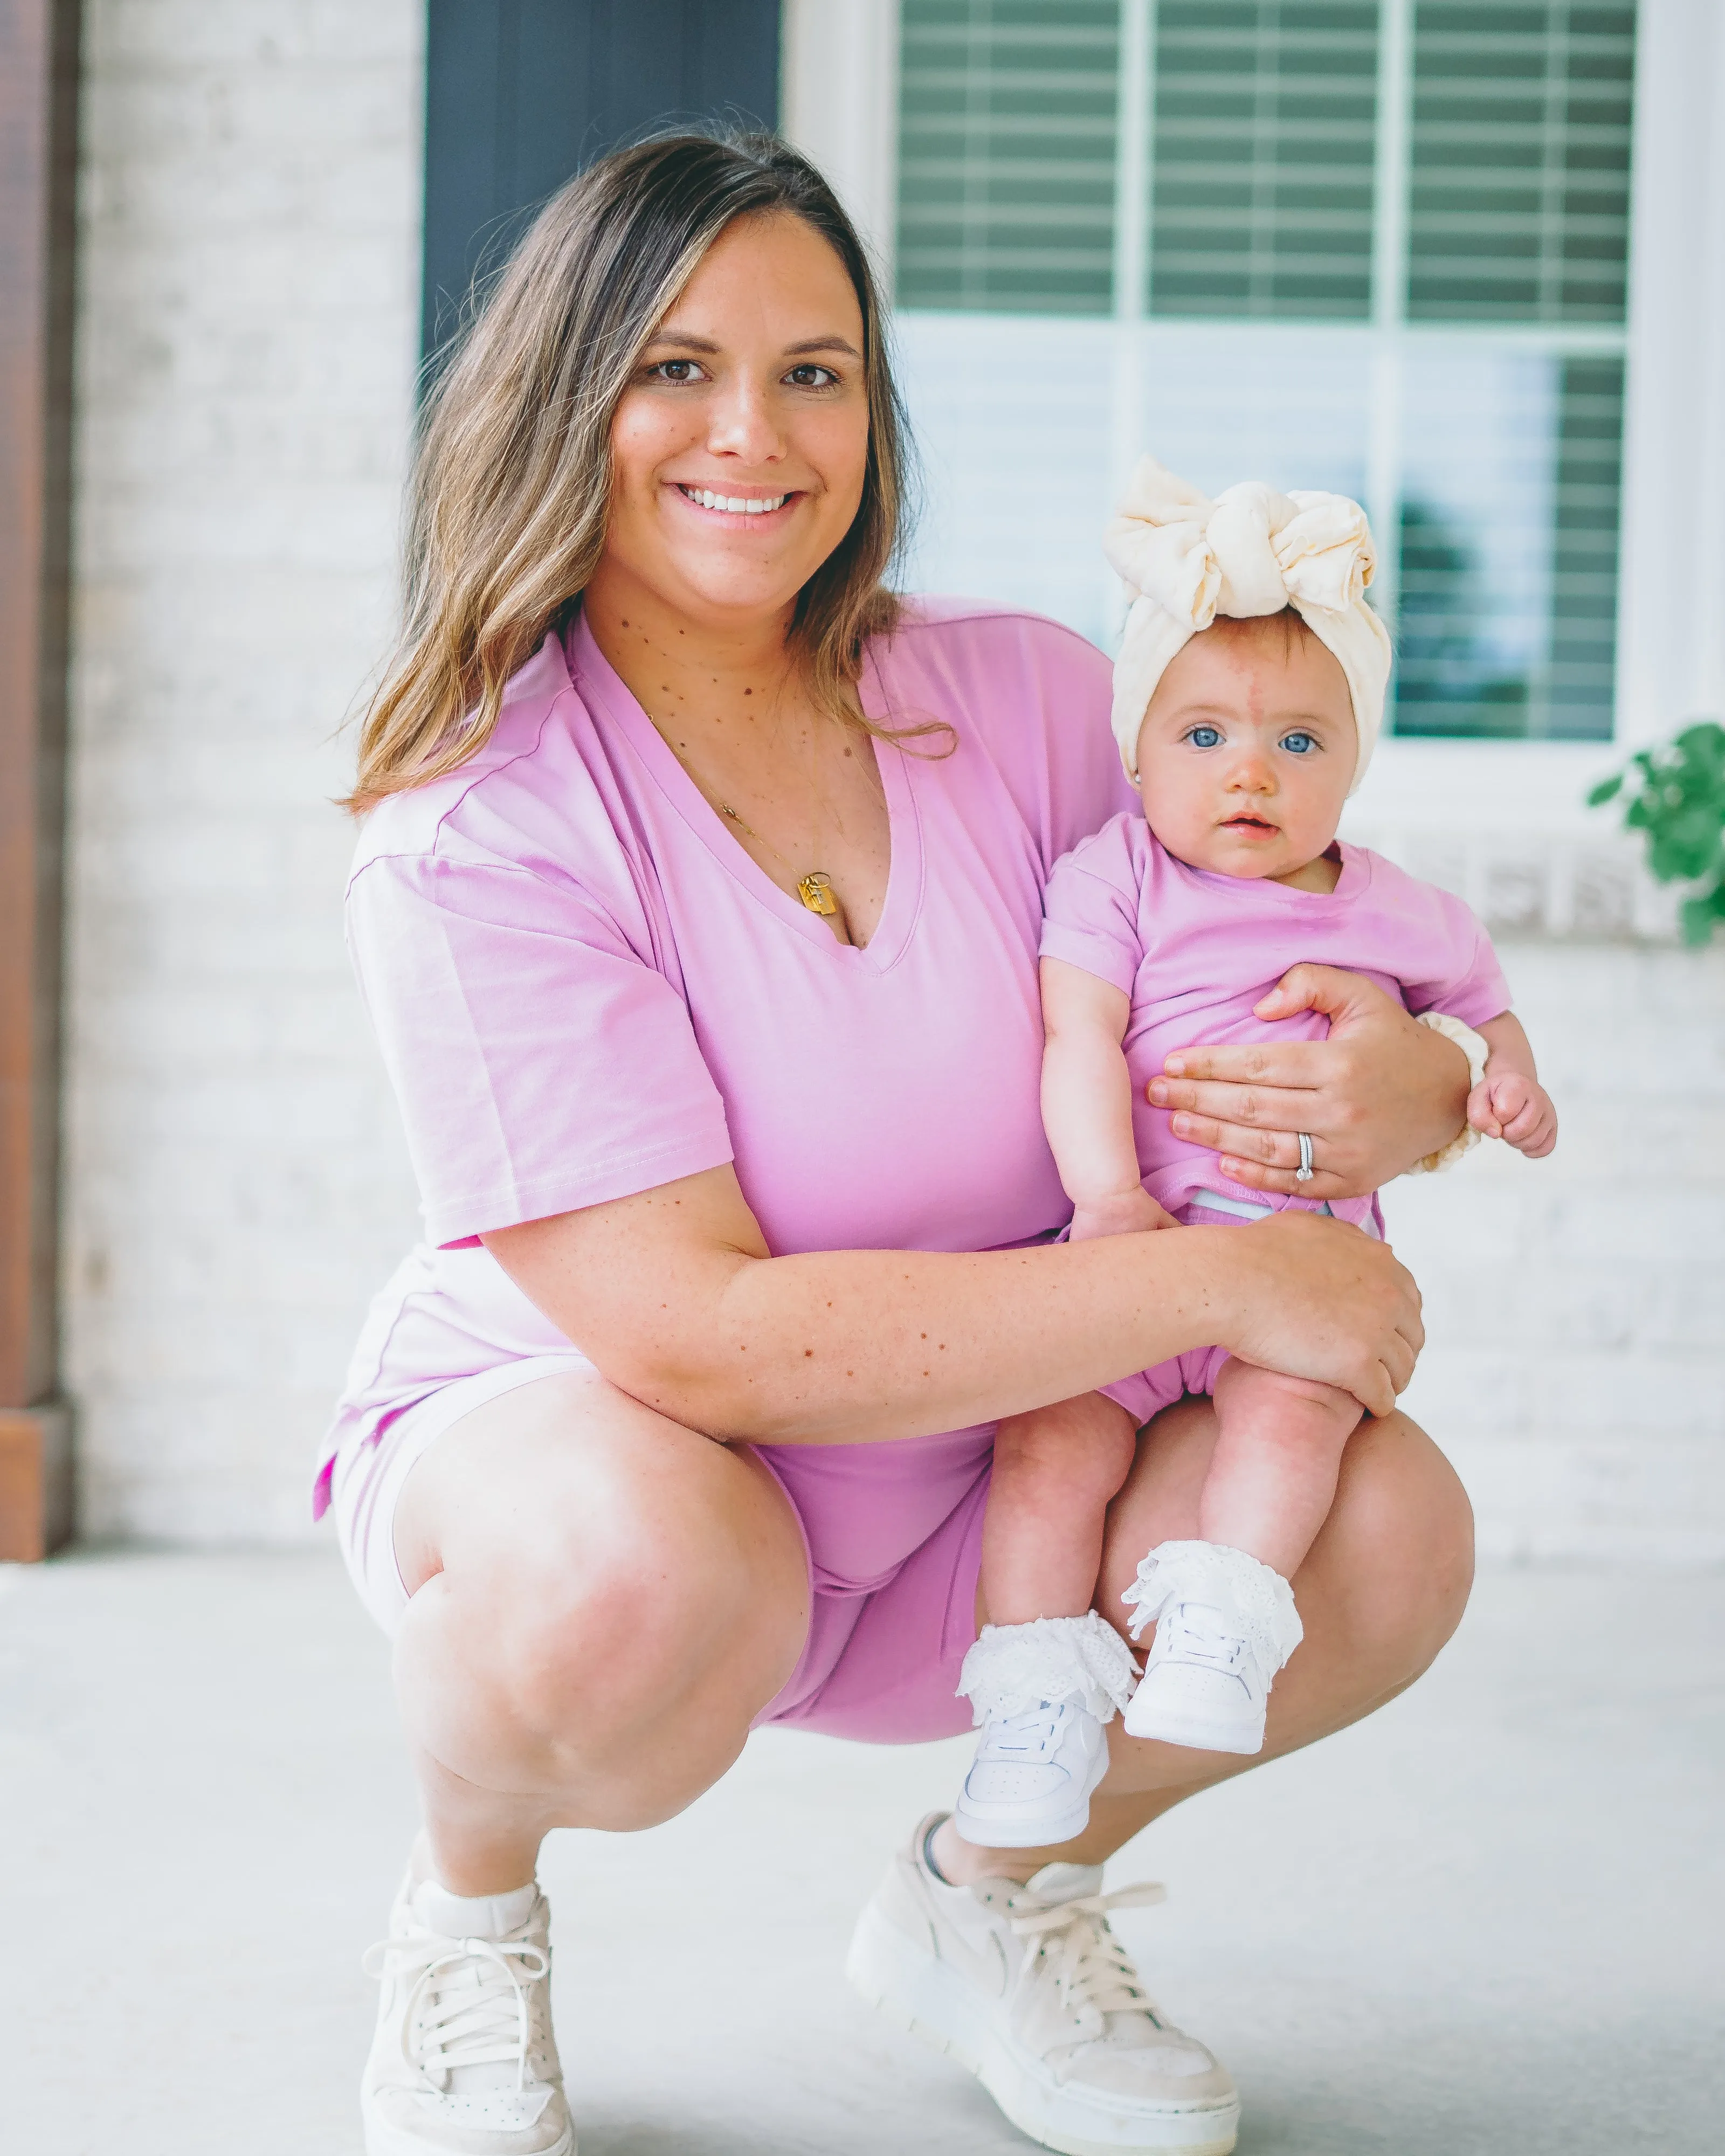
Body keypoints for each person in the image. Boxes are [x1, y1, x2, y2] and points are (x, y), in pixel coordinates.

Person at [323, 134, 1474, 2156]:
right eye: (672, 367)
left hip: (1019, 1467)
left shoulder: (1026, 704)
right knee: (619, 1578)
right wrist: (1227, 1274)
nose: (752, 434)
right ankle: (467, 1912)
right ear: (560, 397)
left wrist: (1412, 1082)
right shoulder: (482, 823)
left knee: (1386, 1527)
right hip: (628, 1457)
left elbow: (1281, 955)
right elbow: (690, 1337)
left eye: (817, 369)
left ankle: (995, 1894)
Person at [952, 464, 1557, 1853]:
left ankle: (1225, 1619)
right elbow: (1077, 1041)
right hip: (1144, 1258)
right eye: (1206, 733)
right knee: (1051, 1448)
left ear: (1353, 760)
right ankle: (1034, 1709)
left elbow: (1484, 1006)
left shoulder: (1398, 909)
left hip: (1300, 1269)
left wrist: (1504, 1080)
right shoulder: (1118, 877)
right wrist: (1108, 1200)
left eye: (1300, 744)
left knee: (1296, 1420)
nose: (1249, 772)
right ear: (1141, 749)